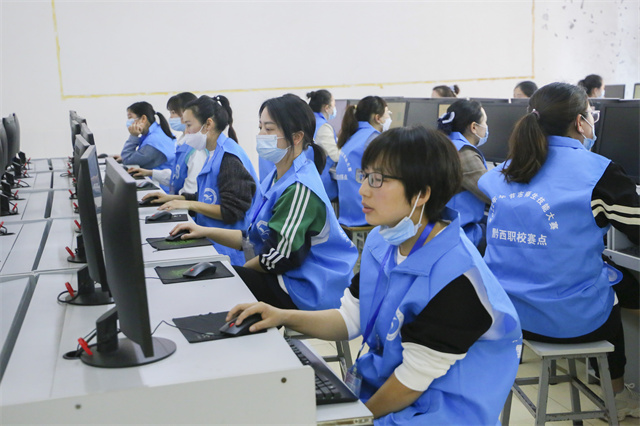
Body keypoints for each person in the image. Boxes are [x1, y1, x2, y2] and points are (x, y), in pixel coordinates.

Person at [226, 126, 522, 424]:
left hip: (440, 410)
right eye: (365, 176)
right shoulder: (383, 242)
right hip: (390, 390)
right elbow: (350, 318)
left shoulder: (459, 278)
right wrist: (281, 316)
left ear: (422, 194)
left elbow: (410, 383)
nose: (364, 190)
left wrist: (351, 419)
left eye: (378, 180)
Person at [478, 82, 640, 421]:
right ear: (581, 122)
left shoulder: (505, 171)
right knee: (619, 288)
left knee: (611, 276)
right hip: (567, 322)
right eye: (592, 116)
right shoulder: (599, 173)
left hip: (508, 314)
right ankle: (617, 393)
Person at [169, 94, 358, 310]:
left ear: (296, 137)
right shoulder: (275, 178)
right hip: (285, 272)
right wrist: (203, 231)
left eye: (269, 129)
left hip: (307, 286)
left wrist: (235, 271)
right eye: (260, 127)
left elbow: (280, 257)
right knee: (219, 280)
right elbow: (252, 238)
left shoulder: (300, 187)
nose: (260, 135)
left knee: (220, 284)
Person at [147, 95, 259, 265]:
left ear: (208, 124)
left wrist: (189, 205)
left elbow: (231, 212)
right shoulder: (214, 152)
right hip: (213, 242)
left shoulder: (229, 159)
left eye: (189, 125)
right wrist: (174, 199)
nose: (186, 131)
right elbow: (208, 197)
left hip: (229, 252)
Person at [129, 92, 207, 196]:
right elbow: (177, 176)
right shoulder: (183, 142)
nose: (171, 117)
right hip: (177, 198)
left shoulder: (196, 148)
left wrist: (168, 199)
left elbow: (190, 191)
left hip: (185, 203)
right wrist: (150, 172)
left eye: (173, 112)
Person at [437, 99, 490, 249]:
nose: (486, 127)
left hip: (440, 227)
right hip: (460, 234)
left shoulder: (443, 143)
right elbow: (492, 195)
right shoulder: (464, 153)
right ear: (474, 127)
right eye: (485, 122)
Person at [336, 96, 390, 227]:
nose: (389, 118)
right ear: (377, 118)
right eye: (387, 114)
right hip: (365, 213)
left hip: (348, 213)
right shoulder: (374, 138)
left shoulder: (352, 137)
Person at [120, 102, 176, 183]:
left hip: (162, 187)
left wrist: (133, 136)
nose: (128, 122)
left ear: (143, 118)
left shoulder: (154, 141)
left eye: (130, 117)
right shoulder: (156, 131)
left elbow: (127, 161)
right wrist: (127, 156)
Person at [307, 89, 339, 200]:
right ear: (326, 107)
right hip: (320, 179)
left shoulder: (308, 121)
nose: (334, 109)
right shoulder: (323, 127)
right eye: (333, 105)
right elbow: (335, 155)